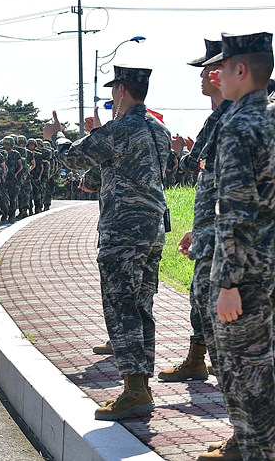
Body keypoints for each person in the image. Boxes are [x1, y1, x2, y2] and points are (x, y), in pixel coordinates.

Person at [44, 65, 170, 421]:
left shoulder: (122, 127)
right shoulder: (159, 129)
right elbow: (127, 170)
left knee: (121, 306)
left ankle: (133, 390)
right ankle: (140, 384)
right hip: (153, 230)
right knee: (142, 306)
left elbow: (71, 157)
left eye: (114, 90)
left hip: (123, 232)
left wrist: (56, 135)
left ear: (121, 90)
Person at [203, 32, 275, 459]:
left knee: (247, 378)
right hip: (269, 260)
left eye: (223, 67)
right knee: (263, 368)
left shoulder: (239, 125)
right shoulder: (269, 117)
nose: (215, 75)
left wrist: (228, 282)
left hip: (245, 271)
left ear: (241, 70)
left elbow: (236, 209)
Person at [171, 41, 240, 461]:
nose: (201, 75)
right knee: (218, 336)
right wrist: (198, 229)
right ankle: (242, 432)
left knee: (237, 346)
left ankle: (249, 436)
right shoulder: (220, 117)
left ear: (226, 70)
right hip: (212, 242)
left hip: (234, 253)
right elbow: (212, 182)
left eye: (207, 68)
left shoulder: (244, 119)